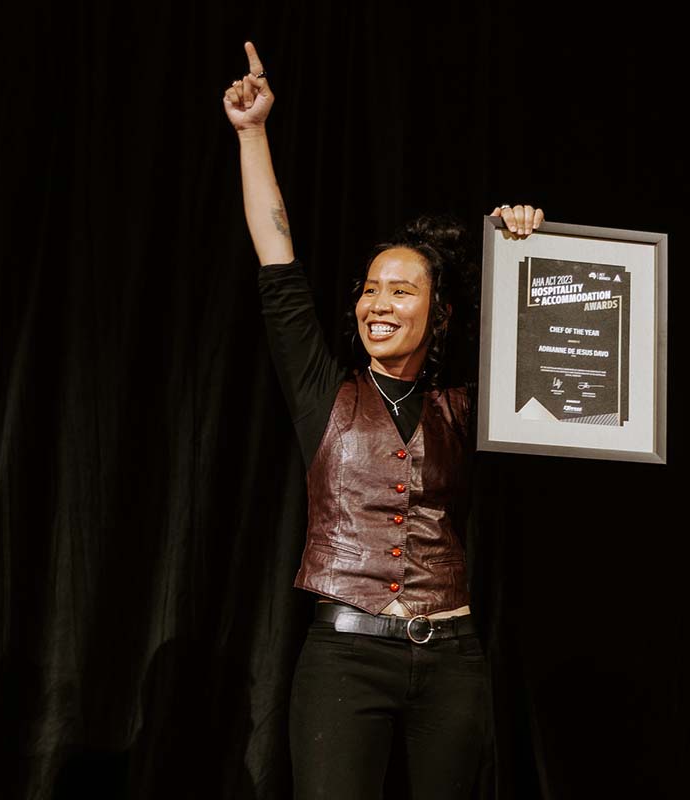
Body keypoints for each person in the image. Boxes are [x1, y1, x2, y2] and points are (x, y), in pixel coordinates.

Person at [224, 41, 543, 799]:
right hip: (344, 660)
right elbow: (277, 263)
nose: (378, 305)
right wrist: (251, 134)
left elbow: (540, 351)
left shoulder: (466, 408)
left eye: (401, 292)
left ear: (439, 314)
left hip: (453, 657)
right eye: (370, 290)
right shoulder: (322, 393)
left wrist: (525, 248)